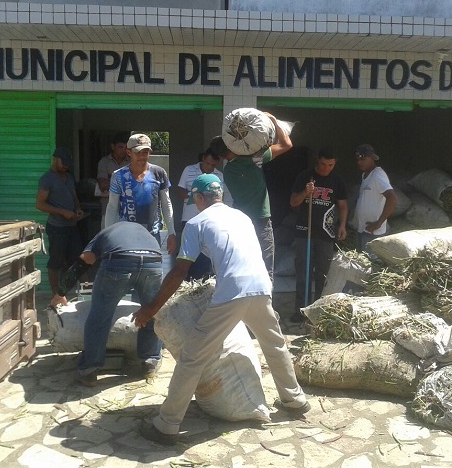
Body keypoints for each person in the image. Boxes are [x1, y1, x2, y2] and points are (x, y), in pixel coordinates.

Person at [133, 174, 310, 445]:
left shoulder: (196, 223)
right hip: (261, 285)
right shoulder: (242, 217)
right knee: (274, 344)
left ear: (199, 199)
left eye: (195, 200)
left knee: (192, 357)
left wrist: (151, 308)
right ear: (221, 196)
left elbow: (180, 270)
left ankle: (166, 425)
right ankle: (295, 400)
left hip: (232, 293)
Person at [50, 221, 164, 387]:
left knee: (99, 317)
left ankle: (89, 370)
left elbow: (84, 261)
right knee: (151, 313)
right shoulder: (144, 232)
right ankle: (149, 363)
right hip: (153, 263)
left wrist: (60, 293)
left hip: (119, 263)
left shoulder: (104, 234)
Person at [209, 112, 292, 280]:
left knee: (245, 266)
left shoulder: (228, 171)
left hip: (241, 223)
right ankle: (265, 303)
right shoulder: (254, 159)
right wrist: (274, 120)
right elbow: (287, 144)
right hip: (261, 221)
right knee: (266, 267)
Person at [289, 147, 348, 322]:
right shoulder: (305, 176)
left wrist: (342, 225)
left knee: (324, 274)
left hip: (326, 233)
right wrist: (306, 192)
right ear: (318, 161)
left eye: (331, 165)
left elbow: (343, 206)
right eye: (323, 164)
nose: (326, 169)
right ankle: (301, 310)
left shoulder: (337, 180)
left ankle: (321, 312)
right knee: (303, 273)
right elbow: (293, 202)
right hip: (304, 231)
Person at [105, 132, 177, 255]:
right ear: (129, 152)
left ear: (150, 152)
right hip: (126, 235)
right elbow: (112, 207)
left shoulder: (159, 173)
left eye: (145, 152)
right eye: (137, 152)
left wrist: (171, 233)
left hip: (152, 234)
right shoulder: (118, 176)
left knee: (151, 270)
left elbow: (166, 203)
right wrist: (108, 236)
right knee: (128, 271)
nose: (141, 156)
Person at [176, 147, 231, 280]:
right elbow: (179, 191)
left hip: (209, 221)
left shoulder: (219, 176)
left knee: (205, 256)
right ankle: (186, 283)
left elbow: (221, 199)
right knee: (187, 255)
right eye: (207, 163)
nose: (209, 167)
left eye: (213, 165)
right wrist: (195, 195)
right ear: (203, 159)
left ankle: (201, 284)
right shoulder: (189, 170)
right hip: (189, 219)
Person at [36, 147, 84, 295]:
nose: (66, 166)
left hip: (72, 226)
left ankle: (82, 292)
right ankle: (55, 295)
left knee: (80, 259)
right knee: (56, 262)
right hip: (57, 227)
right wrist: (62, 212)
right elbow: (40, 204)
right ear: (55, 160)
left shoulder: (68, 177)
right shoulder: (47, 179)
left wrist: (78, 208)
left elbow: (74, 197)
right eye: (63, 163)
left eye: (68, 164)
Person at [352, 144, 397, 253]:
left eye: (363, 159)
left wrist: (379, 223)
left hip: (373, 232)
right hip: (363, 229)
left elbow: (392, 198)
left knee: (370, 264)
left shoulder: (377, 175)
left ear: (372, 157)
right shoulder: (366, 175)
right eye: (357, 159)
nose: (359, 162)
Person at [96, 132, 130, 228]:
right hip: (108, 208)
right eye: (120, 147)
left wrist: (112, 180)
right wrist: (126, 185)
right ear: (112, 146)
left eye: (125, 148)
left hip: (127, 210)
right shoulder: (104, 162)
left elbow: (136, 184)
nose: (123, 150)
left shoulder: (131, 162)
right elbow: (103, 184)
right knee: (108, 239)